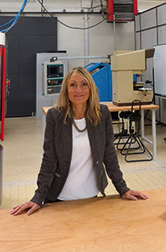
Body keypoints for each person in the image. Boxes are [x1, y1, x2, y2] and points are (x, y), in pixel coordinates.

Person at [10, 66, 148, 215]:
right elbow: (49, 159)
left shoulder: (102, 114)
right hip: (59, 197)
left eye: (84, 84)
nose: (78, 90)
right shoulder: (55, 116)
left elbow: (109, 155)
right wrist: (37, 198)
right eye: (73, 85)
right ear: (66, 89)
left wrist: (123, 189)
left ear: (91, 88)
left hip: (91, 196)